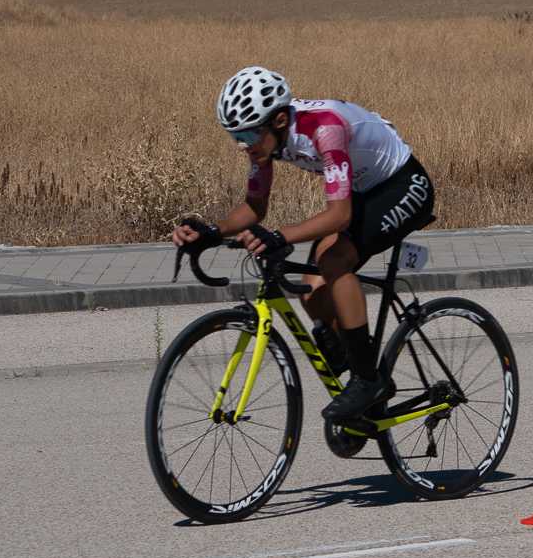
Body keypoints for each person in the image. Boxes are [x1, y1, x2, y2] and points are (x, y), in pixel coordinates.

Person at [171, 66, 436, 424]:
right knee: (312, 289)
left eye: (248, 133)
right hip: (364, 192)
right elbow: (255, 208)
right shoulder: (268, 144)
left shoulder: (324, 129)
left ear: (279, 120)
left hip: (403, 185)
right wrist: (212, 232)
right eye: (235, 135)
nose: (242, 144)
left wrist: (279, 236)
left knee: (336, 262)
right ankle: (362, 377)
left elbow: (339, 216)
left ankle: (367, 380)